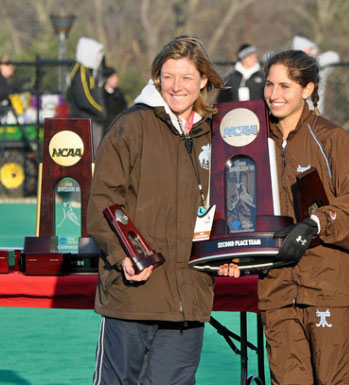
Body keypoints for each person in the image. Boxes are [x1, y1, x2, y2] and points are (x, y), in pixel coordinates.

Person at [87, 35, 225, 385]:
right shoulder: (131, 126)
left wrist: (231, 249)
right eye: (168, 77)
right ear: (156, 78)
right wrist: (124, 255)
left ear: (204, 80)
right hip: (133, 294)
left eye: (186, 77)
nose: (176, 87)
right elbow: (102, 200)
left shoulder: (217, 133)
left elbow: (228, 206)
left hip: (189, 297)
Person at [256, 49, 349, 384]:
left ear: (307, 90)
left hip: (331, 289)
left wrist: (317, 222)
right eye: (269, 85)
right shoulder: (253, 139)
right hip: (277, 290)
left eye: (284, 86)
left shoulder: (331, 138)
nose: (274, 95)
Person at [66, 37, 106, 151]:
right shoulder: (81, 73)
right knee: (90, 153)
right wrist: (100, 111)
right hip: (85, 119)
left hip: (89, 118)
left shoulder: (87, 71)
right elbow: (85, 99)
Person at [292, 35, 340, 115]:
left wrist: (316, 64)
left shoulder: (321, 69)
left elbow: (334, 56)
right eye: (307, 50)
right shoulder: (291, 69)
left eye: (311, 49)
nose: (310, 52)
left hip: (316, 114)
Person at [102, 66, 127, 136]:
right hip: (104, 130)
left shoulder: (119, 94)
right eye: (113, 78)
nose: (116, 80)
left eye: (116, 77)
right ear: (107, 79)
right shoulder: (101, 95)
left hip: (118, 129)